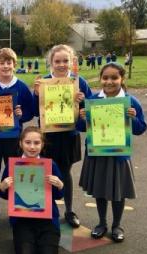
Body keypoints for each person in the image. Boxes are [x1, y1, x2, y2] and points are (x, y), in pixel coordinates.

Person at [77, 63, 147, 242]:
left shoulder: (131, 102)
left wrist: (133, 119)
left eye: (114, 77)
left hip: (118, 154)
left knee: (118, 192)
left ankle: (117, 225)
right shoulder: (93, 100)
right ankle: (102, 223)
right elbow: (80, 127)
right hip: (97, 153)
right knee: (100, 191)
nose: (109, 81)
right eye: (105, 77)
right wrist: (81, 117)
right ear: (100, 79)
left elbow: (140, 129)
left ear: (122, 79)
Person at [33, 44, 92, 228]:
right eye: (57, 61)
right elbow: (36, 112)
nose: (61, 64)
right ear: (50, 62)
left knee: (65, 173)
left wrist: (82, 104)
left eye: (65, 60)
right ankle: (44, 208)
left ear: (71, 61)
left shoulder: (79, 82)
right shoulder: (42, 82)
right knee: (45, 172)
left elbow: (90, 111)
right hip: (48, 136)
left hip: (68, 135)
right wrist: (36, 95)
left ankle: (69, 210)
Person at [0, 126, 64, 254]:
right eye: (28, 142)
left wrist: (59, 185)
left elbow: (58, 195)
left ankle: (44, 239)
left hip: (47, 219)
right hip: (22, 219)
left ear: (42, 144)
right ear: (21, 143)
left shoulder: (50, 165)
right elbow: (5, 196)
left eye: (36, 143)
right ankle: (26, 239)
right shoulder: (12, 165)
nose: (32, 147)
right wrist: (2, 187)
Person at [0, 48, 34, 222]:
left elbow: (31, 112)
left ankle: (17, 206)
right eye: (2, 63)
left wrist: (22, 114)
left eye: (9, 62)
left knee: (15, 171)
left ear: (14, 64)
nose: (5, 66)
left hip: (14, 138)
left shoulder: (21, 87)